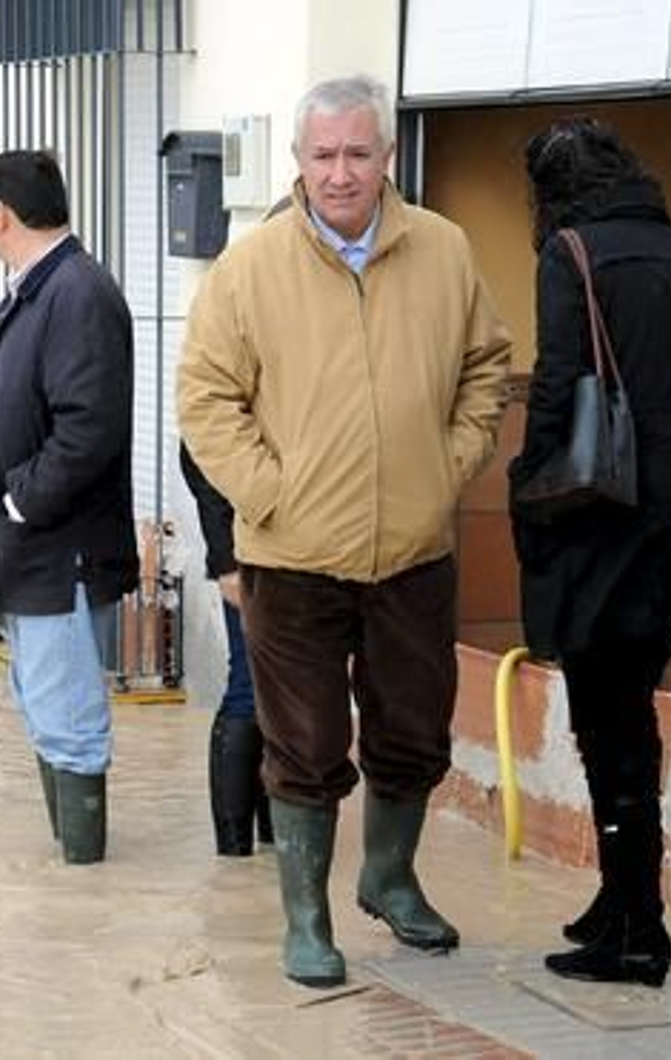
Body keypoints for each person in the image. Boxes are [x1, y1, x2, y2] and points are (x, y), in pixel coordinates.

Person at [177, 75, 512, 988]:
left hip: (413, 551)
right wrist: (268, 492)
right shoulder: (250, 268)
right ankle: (306, 920)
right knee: (306, 745)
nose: (340, 173)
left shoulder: (443, 251)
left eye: (357, 153)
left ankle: (391, 879)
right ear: (297, 162)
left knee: (412, 732)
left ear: (387, 157)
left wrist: (448, 467)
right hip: (290, 558)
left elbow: (488, 366)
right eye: (322, 155)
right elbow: (204, 399)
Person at [510, 118, 671, 988]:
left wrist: (527, 494)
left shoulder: (570, 254)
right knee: (628, 710)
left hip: (610, 520)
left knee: (610, 726)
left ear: (549, 192)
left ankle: (639, 931)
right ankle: (622, 900)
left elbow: (552, 390)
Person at [0, 150, 139, 866]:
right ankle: (70, 864)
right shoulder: (39, 288)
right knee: (40, 698)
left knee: (67, 713)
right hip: (28, 543)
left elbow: (88, 424)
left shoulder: (76, 293)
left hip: (57, 546)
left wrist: (20, 497)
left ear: (1, 216)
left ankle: (84, 874)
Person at [180, 441, 273, 856]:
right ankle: (234, 849)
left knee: (287, 689)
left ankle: (279, 835)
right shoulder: (226, 385)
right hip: (249, 548)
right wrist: (226, 561)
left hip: (312, 544)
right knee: (249, 685)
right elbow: (200, 453)